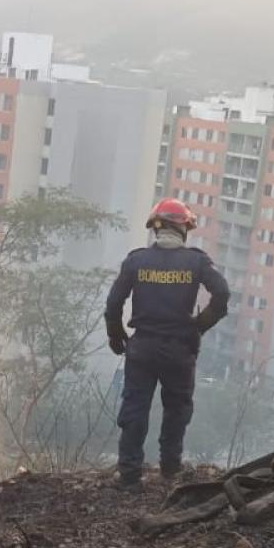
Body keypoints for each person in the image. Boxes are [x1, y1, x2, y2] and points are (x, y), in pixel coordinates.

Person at [106, 198, 230, 489]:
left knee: (135, 408)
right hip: (179, 349)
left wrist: (116, 334)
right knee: (176, 409)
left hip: (142, 349)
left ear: (155, 228)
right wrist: (199, 325)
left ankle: (129, 475)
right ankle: (170, 469)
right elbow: (222, 294)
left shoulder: (136, 261)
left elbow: (114, 303)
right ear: (184, 229)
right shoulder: (197, 262)